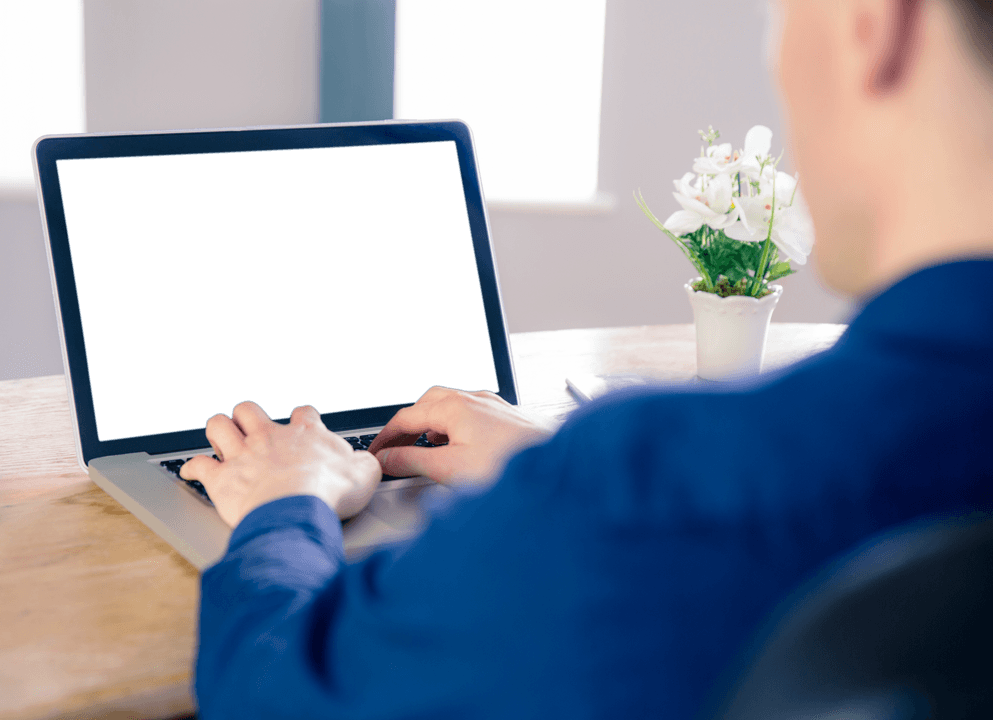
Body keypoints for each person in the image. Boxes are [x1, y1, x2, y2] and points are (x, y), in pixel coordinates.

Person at [181, 1, 993, 717]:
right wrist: (552, 468)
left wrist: (287, 499)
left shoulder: (635, 500)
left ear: (877, 23)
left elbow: (275, 692)